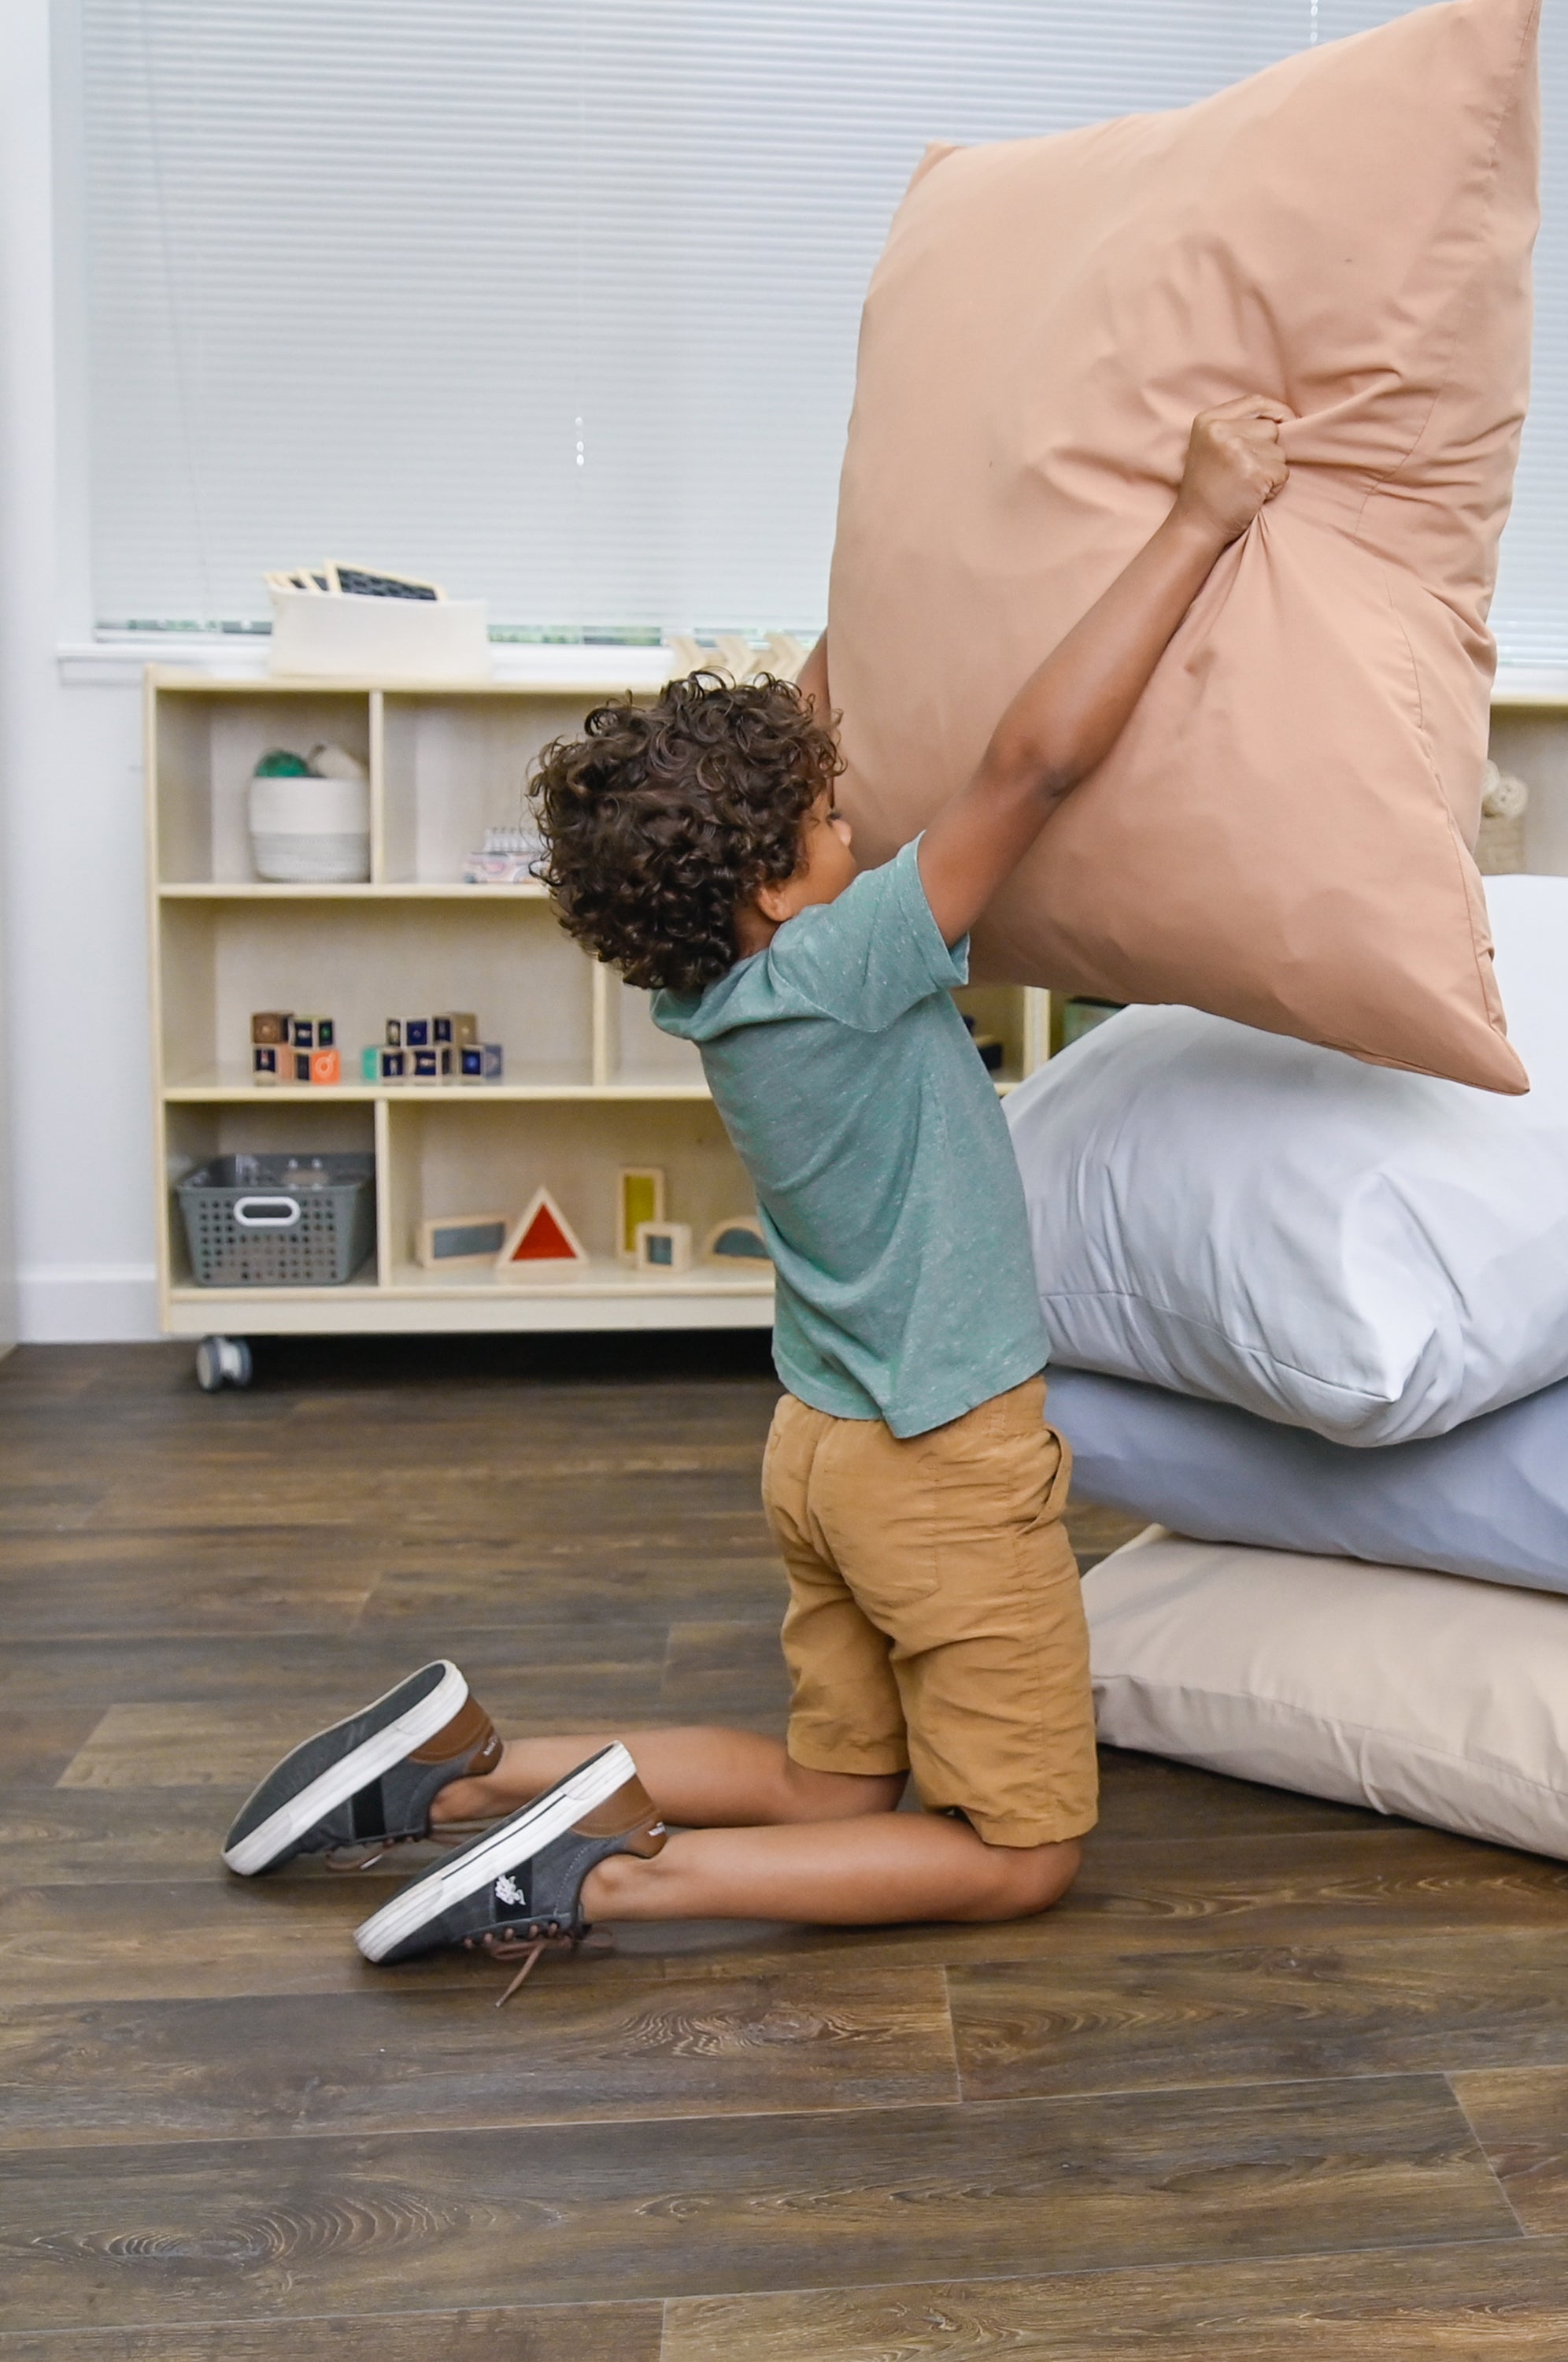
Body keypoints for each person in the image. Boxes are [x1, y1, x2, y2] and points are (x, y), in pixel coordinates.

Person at [218, 398, 1290, 1992]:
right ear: (775, 887)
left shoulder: (720, 981)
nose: (851, 811)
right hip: (939, 1460)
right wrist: (1202, 518)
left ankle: (468, 1772)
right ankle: (605, 1888)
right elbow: (1036, 762)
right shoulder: (854, 963)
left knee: (834, 1786)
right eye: (826, 815)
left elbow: (780, 755)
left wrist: (875, 571)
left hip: (820, 1448)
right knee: (1021, 1853)